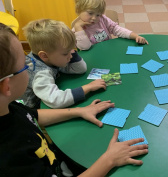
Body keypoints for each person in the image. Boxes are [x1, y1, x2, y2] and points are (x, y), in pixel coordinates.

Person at [0, 23, 148, 176]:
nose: (29, 64)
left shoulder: (9, 107)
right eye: (24, 64)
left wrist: (79, 111)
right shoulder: (11, 158)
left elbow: (32, 115)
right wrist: (109, 159)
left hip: (54, 158)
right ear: (7, 86)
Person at [21, 19, 107, 109]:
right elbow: (56, 100)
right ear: (44, 55)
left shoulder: (50, 57)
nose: (70, 56)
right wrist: (88, 87)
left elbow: (80, 69)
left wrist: (70, 50)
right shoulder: (41, 74)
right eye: (66, 53)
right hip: (33, 109)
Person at [72, 0, 148, 50]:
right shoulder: (76, 30)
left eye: (98, 14)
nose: (94, 18)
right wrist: (78, 28)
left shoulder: (102, 19)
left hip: (108, 52)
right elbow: (85, 47)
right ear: (79, 10)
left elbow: (117, 29)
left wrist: (135, 36)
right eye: (90, 13)